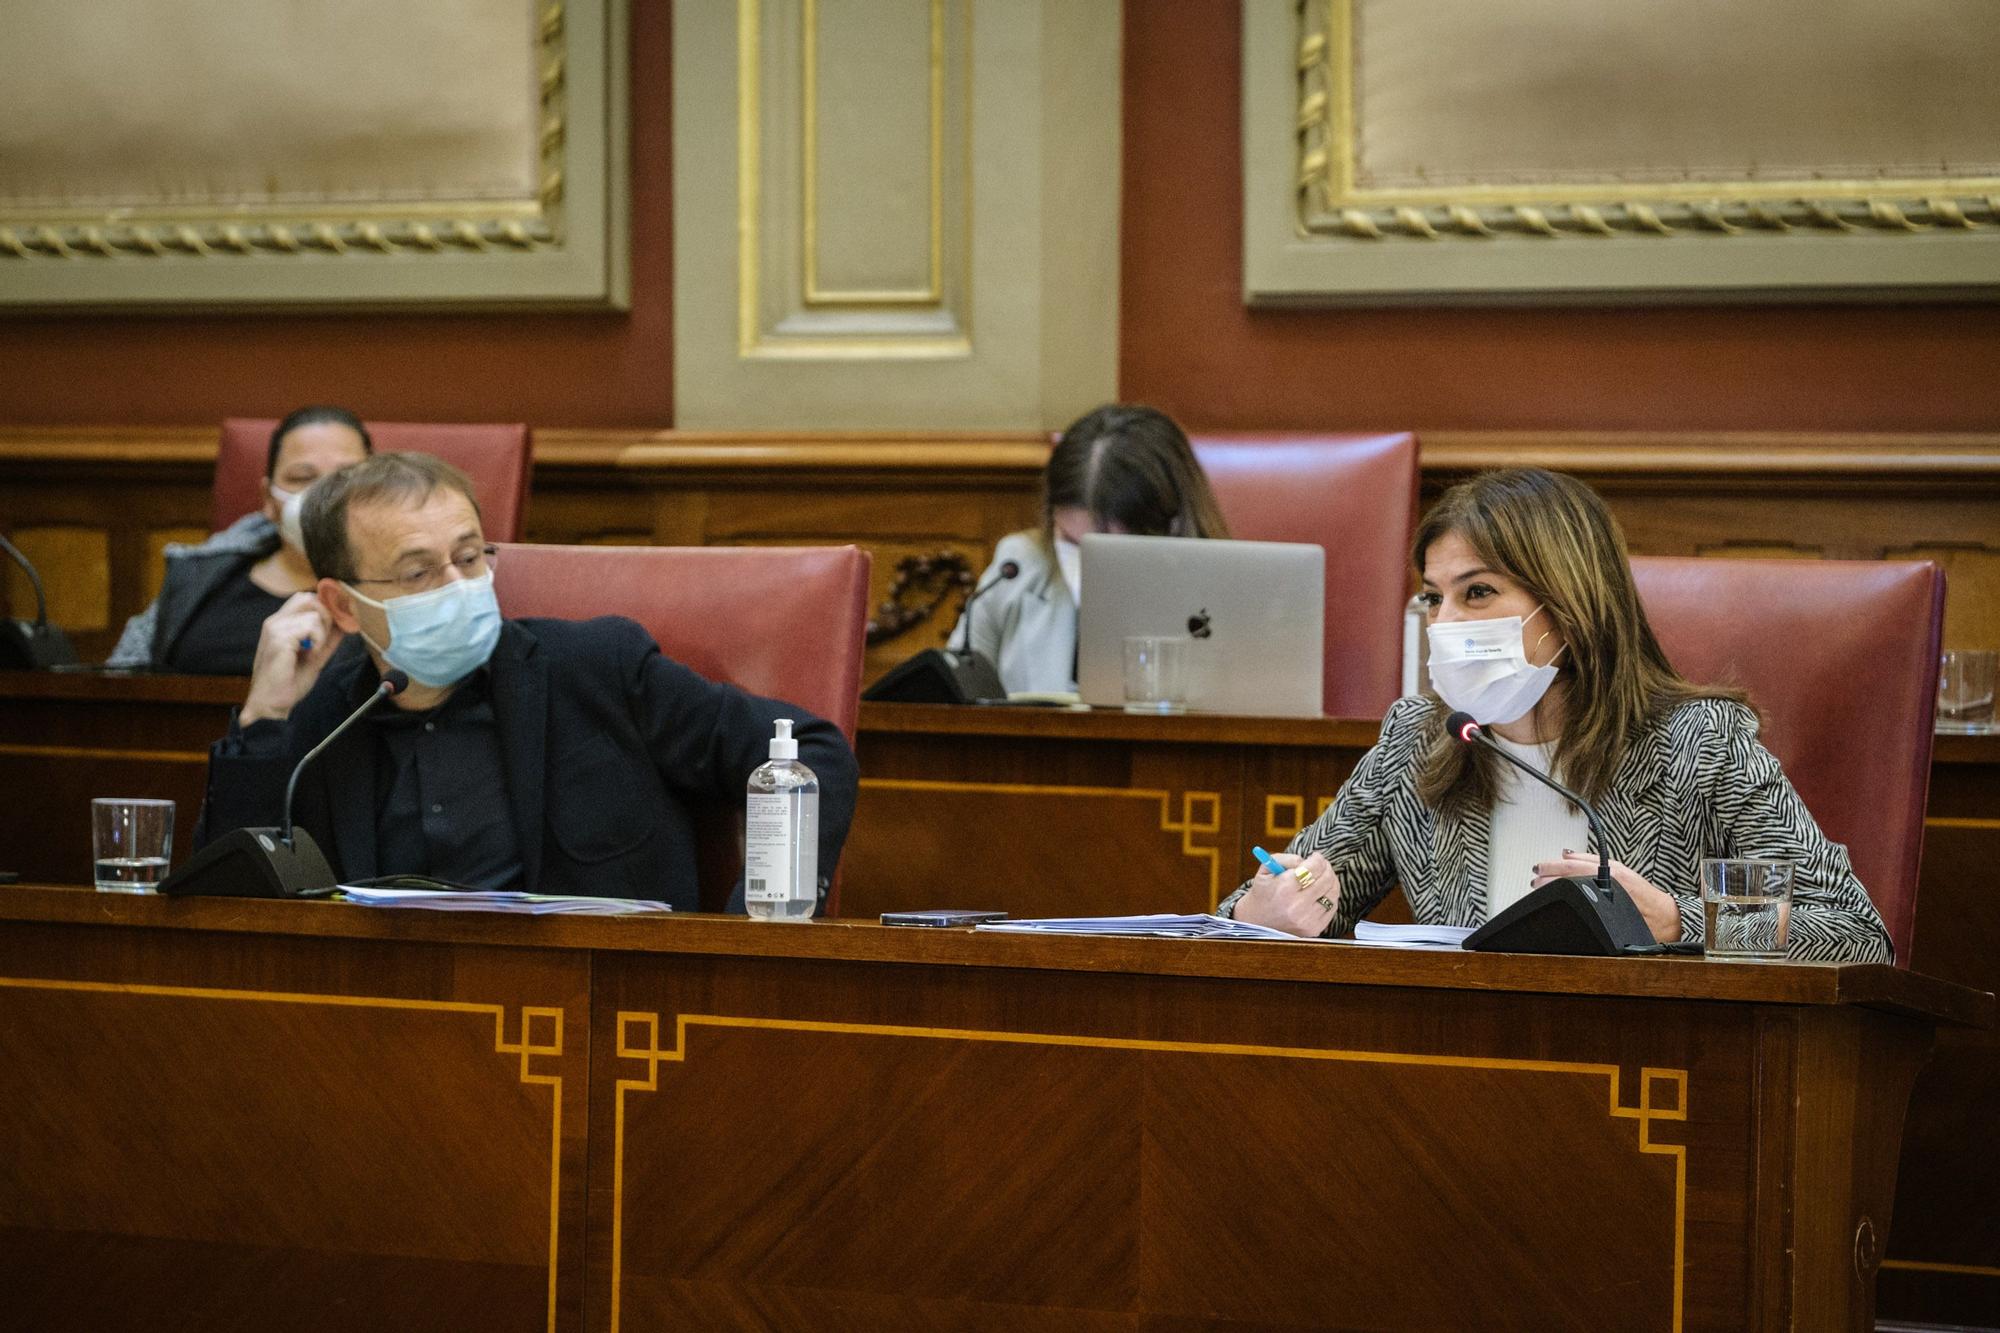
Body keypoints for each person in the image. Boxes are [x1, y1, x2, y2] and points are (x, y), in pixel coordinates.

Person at [1220, 467, 1892, 963]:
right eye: (1433, 598)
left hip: (1643, 1084)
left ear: (1568, 607)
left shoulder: (1699, 744)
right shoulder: (1420, 742)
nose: (1445, 623)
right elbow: (1284, 903)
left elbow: (1857, 935)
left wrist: (1671, 919)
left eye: (1477, 592)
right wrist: (1259, 912)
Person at [191, 452, 858, 910]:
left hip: (599, 1024)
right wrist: (264, 714)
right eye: (419, 571)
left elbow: (811, 749)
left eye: (469, 555)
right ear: (341, 604)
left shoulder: (598, 670)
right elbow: (227, 914)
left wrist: (757, 922)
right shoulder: (321, 722)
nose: (459, 585)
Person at [947, 403, 1231, 694]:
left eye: (1106, 547)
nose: (1085, 563)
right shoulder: (1016, 568)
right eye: (1070, 541)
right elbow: (953, 696)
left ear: (1168, 526)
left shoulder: (1226, 596)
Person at [108, 406, 372, 674]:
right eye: (302, 478)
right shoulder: (199, 577)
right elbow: (123, 682)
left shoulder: (400, 591)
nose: (323, 497)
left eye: (345, 479)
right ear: (268, 499)